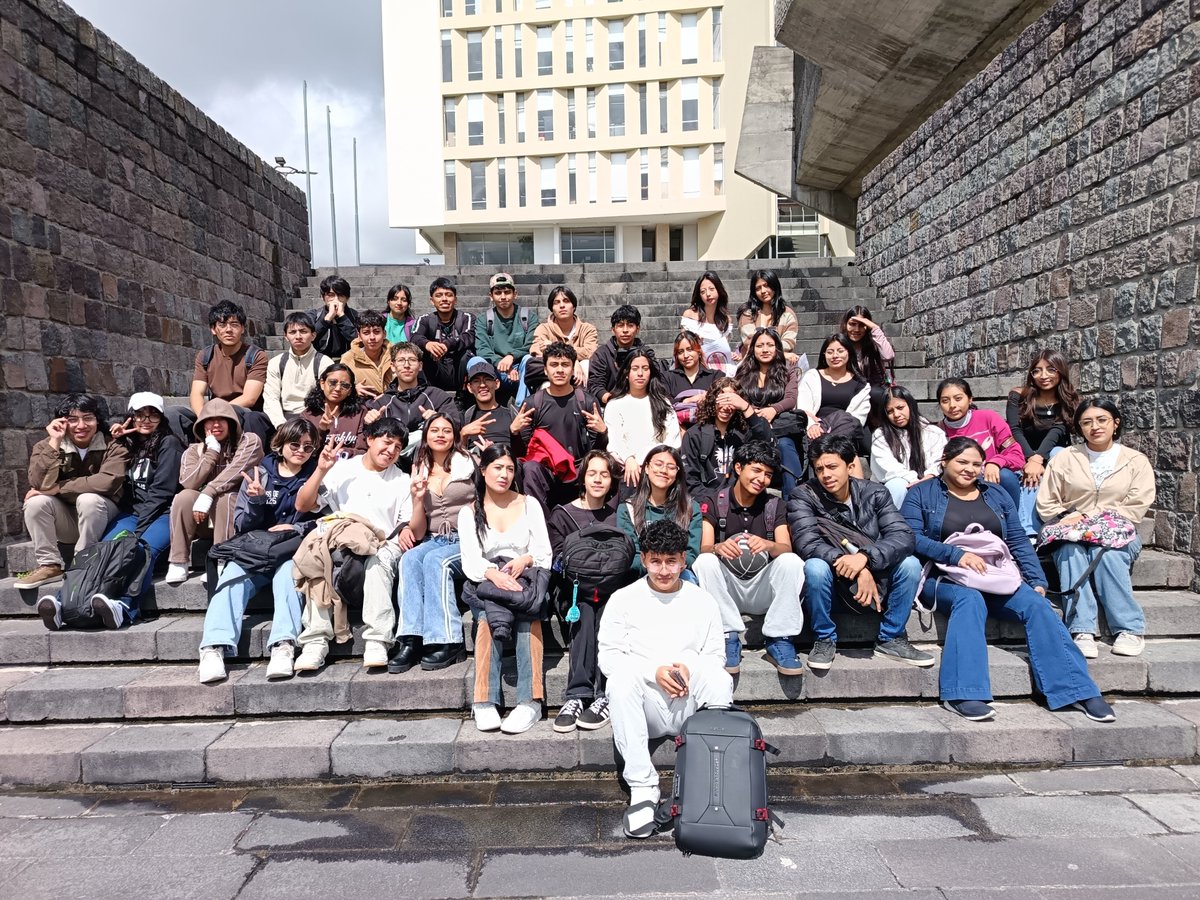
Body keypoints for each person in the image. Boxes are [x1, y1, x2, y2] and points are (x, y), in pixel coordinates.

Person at [902, 437, 1115, 723]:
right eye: (962, 462)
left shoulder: (996, 494)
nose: (970, 469)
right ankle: (964, 693)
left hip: (994, 576)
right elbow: (910, 537)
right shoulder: (921, 494)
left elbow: (1016, 539)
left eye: (976, 464)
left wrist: (1036, 579)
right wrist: (955, 555)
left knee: (1037, 605)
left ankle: (1075, 689)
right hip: (940, 577)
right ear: (944, 462)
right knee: (970, 599)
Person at [598, 519, 733, 839]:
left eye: (671, 561)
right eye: (655, 561)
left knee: (718, 678)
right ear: (643, 559)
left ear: (683, 560)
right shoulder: (623, 599)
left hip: (691, 706)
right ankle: (643, 790)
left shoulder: (703, 601)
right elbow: (609, 657)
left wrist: (687, 666)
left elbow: (716, 656)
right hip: (645, 708)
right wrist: (653, 672)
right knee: (618, 681)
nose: (663, 570)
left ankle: (711, 782)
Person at [788, 434, 933, 671]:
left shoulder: (875, 493)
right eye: (819, 469)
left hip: (877, 582)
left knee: (910, 564)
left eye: (833, 466)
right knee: (814, 566)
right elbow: (807, 543)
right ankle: (824, 638)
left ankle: (891, 637)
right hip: (833, 585)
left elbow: (903, 536)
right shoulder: (803, 495)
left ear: (850, 465)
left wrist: (864, 558)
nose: (826, 475)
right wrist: (852, 565)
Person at [35, 393, 181, 629]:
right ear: (130, 418)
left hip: (163, 514)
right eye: (139, 415)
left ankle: (124, 607)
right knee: (98, 551)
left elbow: (163, 491)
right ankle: (64, 603)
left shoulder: (169, 443)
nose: (146, 420)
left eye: (153, 414)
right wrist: (118, 437)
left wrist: (141, 527)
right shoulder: (126, 444)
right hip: (132, 514)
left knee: (141, 552)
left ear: (161, 418)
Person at [196, 419, 321, 683]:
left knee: (288, 576)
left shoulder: (316, 474)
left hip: (290, 550)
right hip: (256, 548)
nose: (301, 451)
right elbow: (242, 524)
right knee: (231, 577)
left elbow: (327, 518)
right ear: (281, 444)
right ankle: (213, 648)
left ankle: (283, 645)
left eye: (308, 447)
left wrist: (297, 528)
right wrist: (256, 500)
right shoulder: (259, 474)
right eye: (294, 444)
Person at [1037, 398, 1155, 658]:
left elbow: (1137, 504)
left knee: (1109, 555)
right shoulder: (1066, 457)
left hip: (1118, 530)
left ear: (1115, 423)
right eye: (1087, 422)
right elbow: (1046, 501)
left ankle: (1129, 628)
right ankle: (1081, 628)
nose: (1095, 427)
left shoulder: (1135, 460)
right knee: (1070, 551)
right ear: (1079, 428)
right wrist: (1067, 515)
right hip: (1071, 530)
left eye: (1102, 420)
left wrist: (1094, 518)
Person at [293, 417, 414, 671]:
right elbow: (303, 505)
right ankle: (315, 640)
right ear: (369, 439)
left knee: (378, 561)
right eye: (387, 442)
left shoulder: (402, 480)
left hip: (382, 543)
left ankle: (378, 639)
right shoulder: (343, 470)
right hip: (340, 538)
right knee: (318, 555)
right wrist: (321, 470)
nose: (391, 451)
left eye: (398, 447)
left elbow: (406, 525)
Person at [460, 444, 553, 735]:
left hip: (525, 580)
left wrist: (524, 560)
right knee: (487, 618)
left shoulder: (528, 504)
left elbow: (543, 552)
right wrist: (493, 575)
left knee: (528, 617)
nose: (504, 474)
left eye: (510, 468)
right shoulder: (469, 512)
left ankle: (531, 700)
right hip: (488, 583)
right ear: (484, 470)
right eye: (498, 467)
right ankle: (485, 699)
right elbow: (471, 560)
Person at [694, 441, 806, 676]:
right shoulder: (715, 501)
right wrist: (718, 548)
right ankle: (727, 635)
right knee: (704, 562)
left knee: (792, 561)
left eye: (768, 474)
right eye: (756, 470)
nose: (761, 479)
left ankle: (779, 638)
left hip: (760, 589)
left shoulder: (775, 505)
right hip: (727, 591)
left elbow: (785, 547)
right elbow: (704, 547)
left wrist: (769, 545)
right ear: (738, 468)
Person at [390, 414, 475, 674]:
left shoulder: (469, 464)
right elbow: (418, 529)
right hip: (433, 537)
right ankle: (411, 638)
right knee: (411, 558)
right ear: (425, 435)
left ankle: (448, 640)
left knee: (436, 561)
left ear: (455, 435)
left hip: (467, 539)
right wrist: (417, 500)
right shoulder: (418, 469)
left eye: (447, 430)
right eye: (434, 430)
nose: (440, 435)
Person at [16, 394, 128, 589]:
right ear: (61, 422)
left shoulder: (114, 445)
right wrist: (54, 443)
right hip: (68, 521)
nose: (81, 425)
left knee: (89, 499)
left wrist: (59, 488)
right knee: (35, 502)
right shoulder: (46, 446)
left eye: (88, 418)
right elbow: (39, 483)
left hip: (104, 518)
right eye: (72, 419)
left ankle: (82, 563)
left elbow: (107, 482)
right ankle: (49, 565)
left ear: (97, 420)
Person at [548, 450, 622, 733]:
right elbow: (555, 557)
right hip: (573, 590)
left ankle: (603, 696)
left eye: (604, 474)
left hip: (611, 589)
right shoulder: (563, 513)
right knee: (586, 614)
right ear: (583, 477)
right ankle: (577, 695)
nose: (598, 479)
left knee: (608, 612)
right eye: (592, 473)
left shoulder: (619, 515)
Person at [165, 398, 265, 586]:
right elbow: (188, 482)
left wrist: (209, 492)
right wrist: (211, 452)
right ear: (202, 425)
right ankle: (178, 560)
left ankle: (222, 559)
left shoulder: (249, 441)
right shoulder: (194, 451)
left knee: (226, 497)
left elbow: (236, 471)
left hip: (237, 516)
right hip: (202, 519)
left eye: (222, 419)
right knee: (184, 497)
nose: (216, 424)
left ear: (232, 422)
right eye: (210, 420)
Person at [516, 342, 609, 509]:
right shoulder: (533, 403)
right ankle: (539, 523)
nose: (559, 370)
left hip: (579, 471)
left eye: (565, 365)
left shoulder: (586, 401)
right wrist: (514, 433)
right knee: (530, 468)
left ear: (573, 369)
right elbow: (523, 453)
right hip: (547, 473)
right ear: (545, 370)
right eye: (554, 365)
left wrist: (603, 433)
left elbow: (597, 451)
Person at [168, 300, 272, 447]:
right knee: (173, 414)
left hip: (244, 413)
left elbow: (249, 398)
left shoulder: (256, 355)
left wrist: (216, 414)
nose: (228, 330)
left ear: (242, 328)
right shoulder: (205, 356)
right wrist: (204, 416)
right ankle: (186, 459)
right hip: (212, 413)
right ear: (213, 329)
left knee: (244, 414)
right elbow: (196, 393)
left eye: (234, 325)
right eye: (222, 325)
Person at [1006, 349, 1079, 537]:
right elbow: (1015, 430)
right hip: (1023, 451)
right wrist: (1031, 458)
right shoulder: (1018, 396)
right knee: (1031, 473)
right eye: (1037, 371)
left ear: (1060, 371)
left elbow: (1058, 431)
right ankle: (1030, 533)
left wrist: (1038, 459)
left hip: (1052, 454)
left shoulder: (1068, 399)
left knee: (1057, 452)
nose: (1043, 376)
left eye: (1050, 370)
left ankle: (1034, 527)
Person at [730, 328, 802, 496]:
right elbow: (738, 397)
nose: (764, 350)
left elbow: (791, 398)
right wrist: (755, 413)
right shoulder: (743, 372)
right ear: (752, 349)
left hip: (778, 426)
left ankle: (793, 498)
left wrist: (772, 410)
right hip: (749, 425)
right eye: (759, 345)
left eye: (770, 345)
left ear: (777, 348)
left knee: (785, 446)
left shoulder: (787, 371)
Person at [938, 377, 1025, 513]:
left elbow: (1017, 455)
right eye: (945, 401)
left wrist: (995, 462)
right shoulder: (938, 432)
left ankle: (1013, 521)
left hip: (993, 479)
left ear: (970, 399)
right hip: (959, 484)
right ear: (939, 405)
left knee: (1006, 476)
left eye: (958, 398)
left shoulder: (989, 418)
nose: (952, 405)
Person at [616, 445, 701, 580]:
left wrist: (670, 567)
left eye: (671, 467)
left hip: (678, 574)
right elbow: (632, 555)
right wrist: (656, 568)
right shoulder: (628, 509)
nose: (663, 470)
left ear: (678, 473)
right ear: (647, 468)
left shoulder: (690, 508)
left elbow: (691, 554)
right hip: (641, 575)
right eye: (658, 464)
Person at [682, 376, 774, 494]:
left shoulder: (745, 433)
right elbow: (690, 480)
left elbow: (768, 446)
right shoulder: (694, 435)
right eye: (722, 399)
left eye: (731, 401)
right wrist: (713, 503)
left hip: (740, 499)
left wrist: (746, 408)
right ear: (712, 400)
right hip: (707, 502)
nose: (726, 407)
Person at [604, 348, 682, 488]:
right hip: (629, 471)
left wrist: (655, 464)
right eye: (635, 368)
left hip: (660, 471)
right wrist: (629, 459)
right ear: (627, 373)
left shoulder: (663, 402)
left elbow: (672, 439)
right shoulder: (615, 404)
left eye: (645, 368)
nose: (640, 373)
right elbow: (615, 440)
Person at [870, 386, 947, 509]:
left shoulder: (933, 432)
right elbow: (888, 467)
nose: (896, 414)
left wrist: (928, 477)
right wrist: (914, 480)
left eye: (900, 408)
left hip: (929, 481)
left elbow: (939, 461)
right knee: (896, 485)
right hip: (897, 486)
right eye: (890, 411)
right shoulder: (881, 435)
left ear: (911, 405)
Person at [366, 342, 462, 437]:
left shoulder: (438, 397)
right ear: (393, 366)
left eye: (412, 360)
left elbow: (456, 427)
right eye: (401, 360)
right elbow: (367, 438)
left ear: (420, 366)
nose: (406, 365)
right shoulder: (382, 403)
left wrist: (439, 421)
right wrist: (368, 423)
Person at [797, 333, 871, 449]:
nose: (835, 356)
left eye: (840, 351)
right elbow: (804, 408)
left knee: (848, 420)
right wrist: (812, 425)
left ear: (849, 353)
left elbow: (857, 418)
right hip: (815, 430)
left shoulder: (861, 384)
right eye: (830, 352)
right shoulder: (812, 376)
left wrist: (829, 429)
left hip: (844, 432)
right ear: (824, 354)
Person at [476, 272, 539, 405]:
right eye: (498, 293)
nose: (503, 297)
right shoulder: (484, 320)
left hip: (520, 369)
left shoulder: (528, 317)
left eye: (507, 292)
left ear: (515, 294)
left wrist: (511, 357)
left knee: (529, 359)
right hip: (494, 369)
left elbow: (531, 345)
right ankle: (485, 407)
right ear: (491, 296)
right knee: (475, 361)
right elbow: (482, 348)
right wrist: (500, 362)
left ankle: (522, 406)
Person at [262, 312, 333, 428]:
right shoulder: (276, 363)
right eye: (292, 332)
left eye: (303, 331)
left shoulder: (324, 363)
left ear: (313, 335)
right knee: (254, 419)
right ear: (286, 336)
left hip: (312, 415)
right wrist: (280, 424)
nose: (298, 336)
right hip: (284, 416)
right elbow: (271, 397)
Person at [410, 276, 476, 395]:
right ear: (432, 300)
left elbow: (468, 336)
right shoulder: (425, 319)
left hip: (458, 368)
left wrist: (447, 344)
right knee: (423, 353)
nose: (444, 299)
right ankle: (429, 395)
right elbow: (415, 337)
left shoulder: (466, 317)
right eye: (439, 295)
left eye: (448, 295)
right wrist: (428, 344)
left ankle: (462, 396)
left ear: (455, 299)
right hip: (436, 366)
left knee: (467, 354)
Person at [529, 285, 598, 386]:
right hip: (553, 377)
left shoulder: (588, 329)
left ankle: (584, 399)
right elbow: (535, 350)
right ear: (552, 308)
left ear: (573, 306)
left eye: (566, 301)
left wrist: (554, 347)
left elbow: (591, 352)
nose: (562, 306)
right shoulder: (543, 328)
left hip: (579, 377)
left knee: (586, 364)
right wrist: (573, 361)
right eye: (556, 302)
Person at [588, 304, 652, 406]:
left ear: (638, 329)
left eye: (630, 325)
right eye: (620, 325)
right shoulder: (602, 354)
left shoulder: (646, 353)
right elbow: (595, 386)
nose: (625, 330)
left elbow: (655, 380)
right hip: (610, 403)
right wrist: (613, 401)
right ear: (613, 329)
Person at [299, 363, 367, 458]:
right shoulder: (308, 415)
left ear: (350, 391)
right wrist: (321, 430)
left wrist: (342, 453)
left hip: (350, 468)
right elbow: (305, 452)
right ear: (322, 384)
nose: (338, 388)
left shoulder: (359, 413)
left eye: (345, 385)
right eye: (333, 383)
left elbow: (363, 451)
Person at [460, 359, 521, 455]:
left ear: (497, 384)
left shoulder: (512, 414)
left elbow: (523, 454)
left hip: (507, 464)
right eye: (476, 381)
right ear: (470, 388)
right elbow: (457, 458)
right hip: (476, 464)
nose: (482, 385)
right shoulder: (466, 418)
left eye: (487, 379)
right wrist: (463, 434)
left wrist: (515, 433)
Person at [735, 269, 798, 359]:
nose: (763, 291)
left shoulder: (788, 314)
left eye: (766, 286)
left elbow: (789, 342)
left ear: (775, 287)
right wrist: (780, 352)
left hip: (779, 366)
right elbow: (750, 342)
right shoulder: (748, 314)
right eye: (758, 288)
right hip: (752, 366)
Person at [680, 271, 736, 371]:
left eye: (711, 289)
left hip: (721, 369)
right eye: (703, 292)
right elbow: (683, 345)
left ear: (719, 290)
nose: (708, 294)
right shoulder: (689, 316)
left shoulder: (726, 319)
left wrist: (731, 354)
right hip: (696, 368)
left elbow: (723, 350)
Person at [662, 332, 717, 425]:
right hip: (677, 431)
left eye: (690, 349)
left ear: (699, 351)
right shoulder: (668, 378)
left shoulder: (715, 376)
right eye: (680, 352)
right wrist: (688, 400)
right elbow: (664, 404)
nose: (686, 355)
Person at [339, 310, 394, 401]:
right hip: (362, 408)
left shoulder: (396, 355)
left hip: (393, 407)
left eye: (376, 332)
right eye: (366, 333)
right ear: (359, 336)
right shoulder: (348, 359)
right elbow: (340, 386)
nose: (372, 337)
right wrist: (354, 389)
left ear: (384, 334)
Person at [307, 274, 360, 359]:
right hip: (319, 361)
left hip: (349, 361)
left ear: (347, 298)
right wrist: (327, 319)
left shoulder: (356, 316)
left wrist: (342, 317)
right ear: (322, 297)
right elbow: (308, 338)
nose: (336, 299)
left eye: (340, 295)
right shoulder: (313, 315)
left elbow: (359, 341)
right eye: (331, 295)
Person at [840, 306, 895, 388]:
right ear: (845, 324)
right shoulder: (839, 344)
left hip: (874, 391)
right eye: (852, 324)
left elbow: (888, 356)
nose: (856, 329)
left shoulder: (875, 344)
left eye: (862, 325)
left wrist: (875, 328)